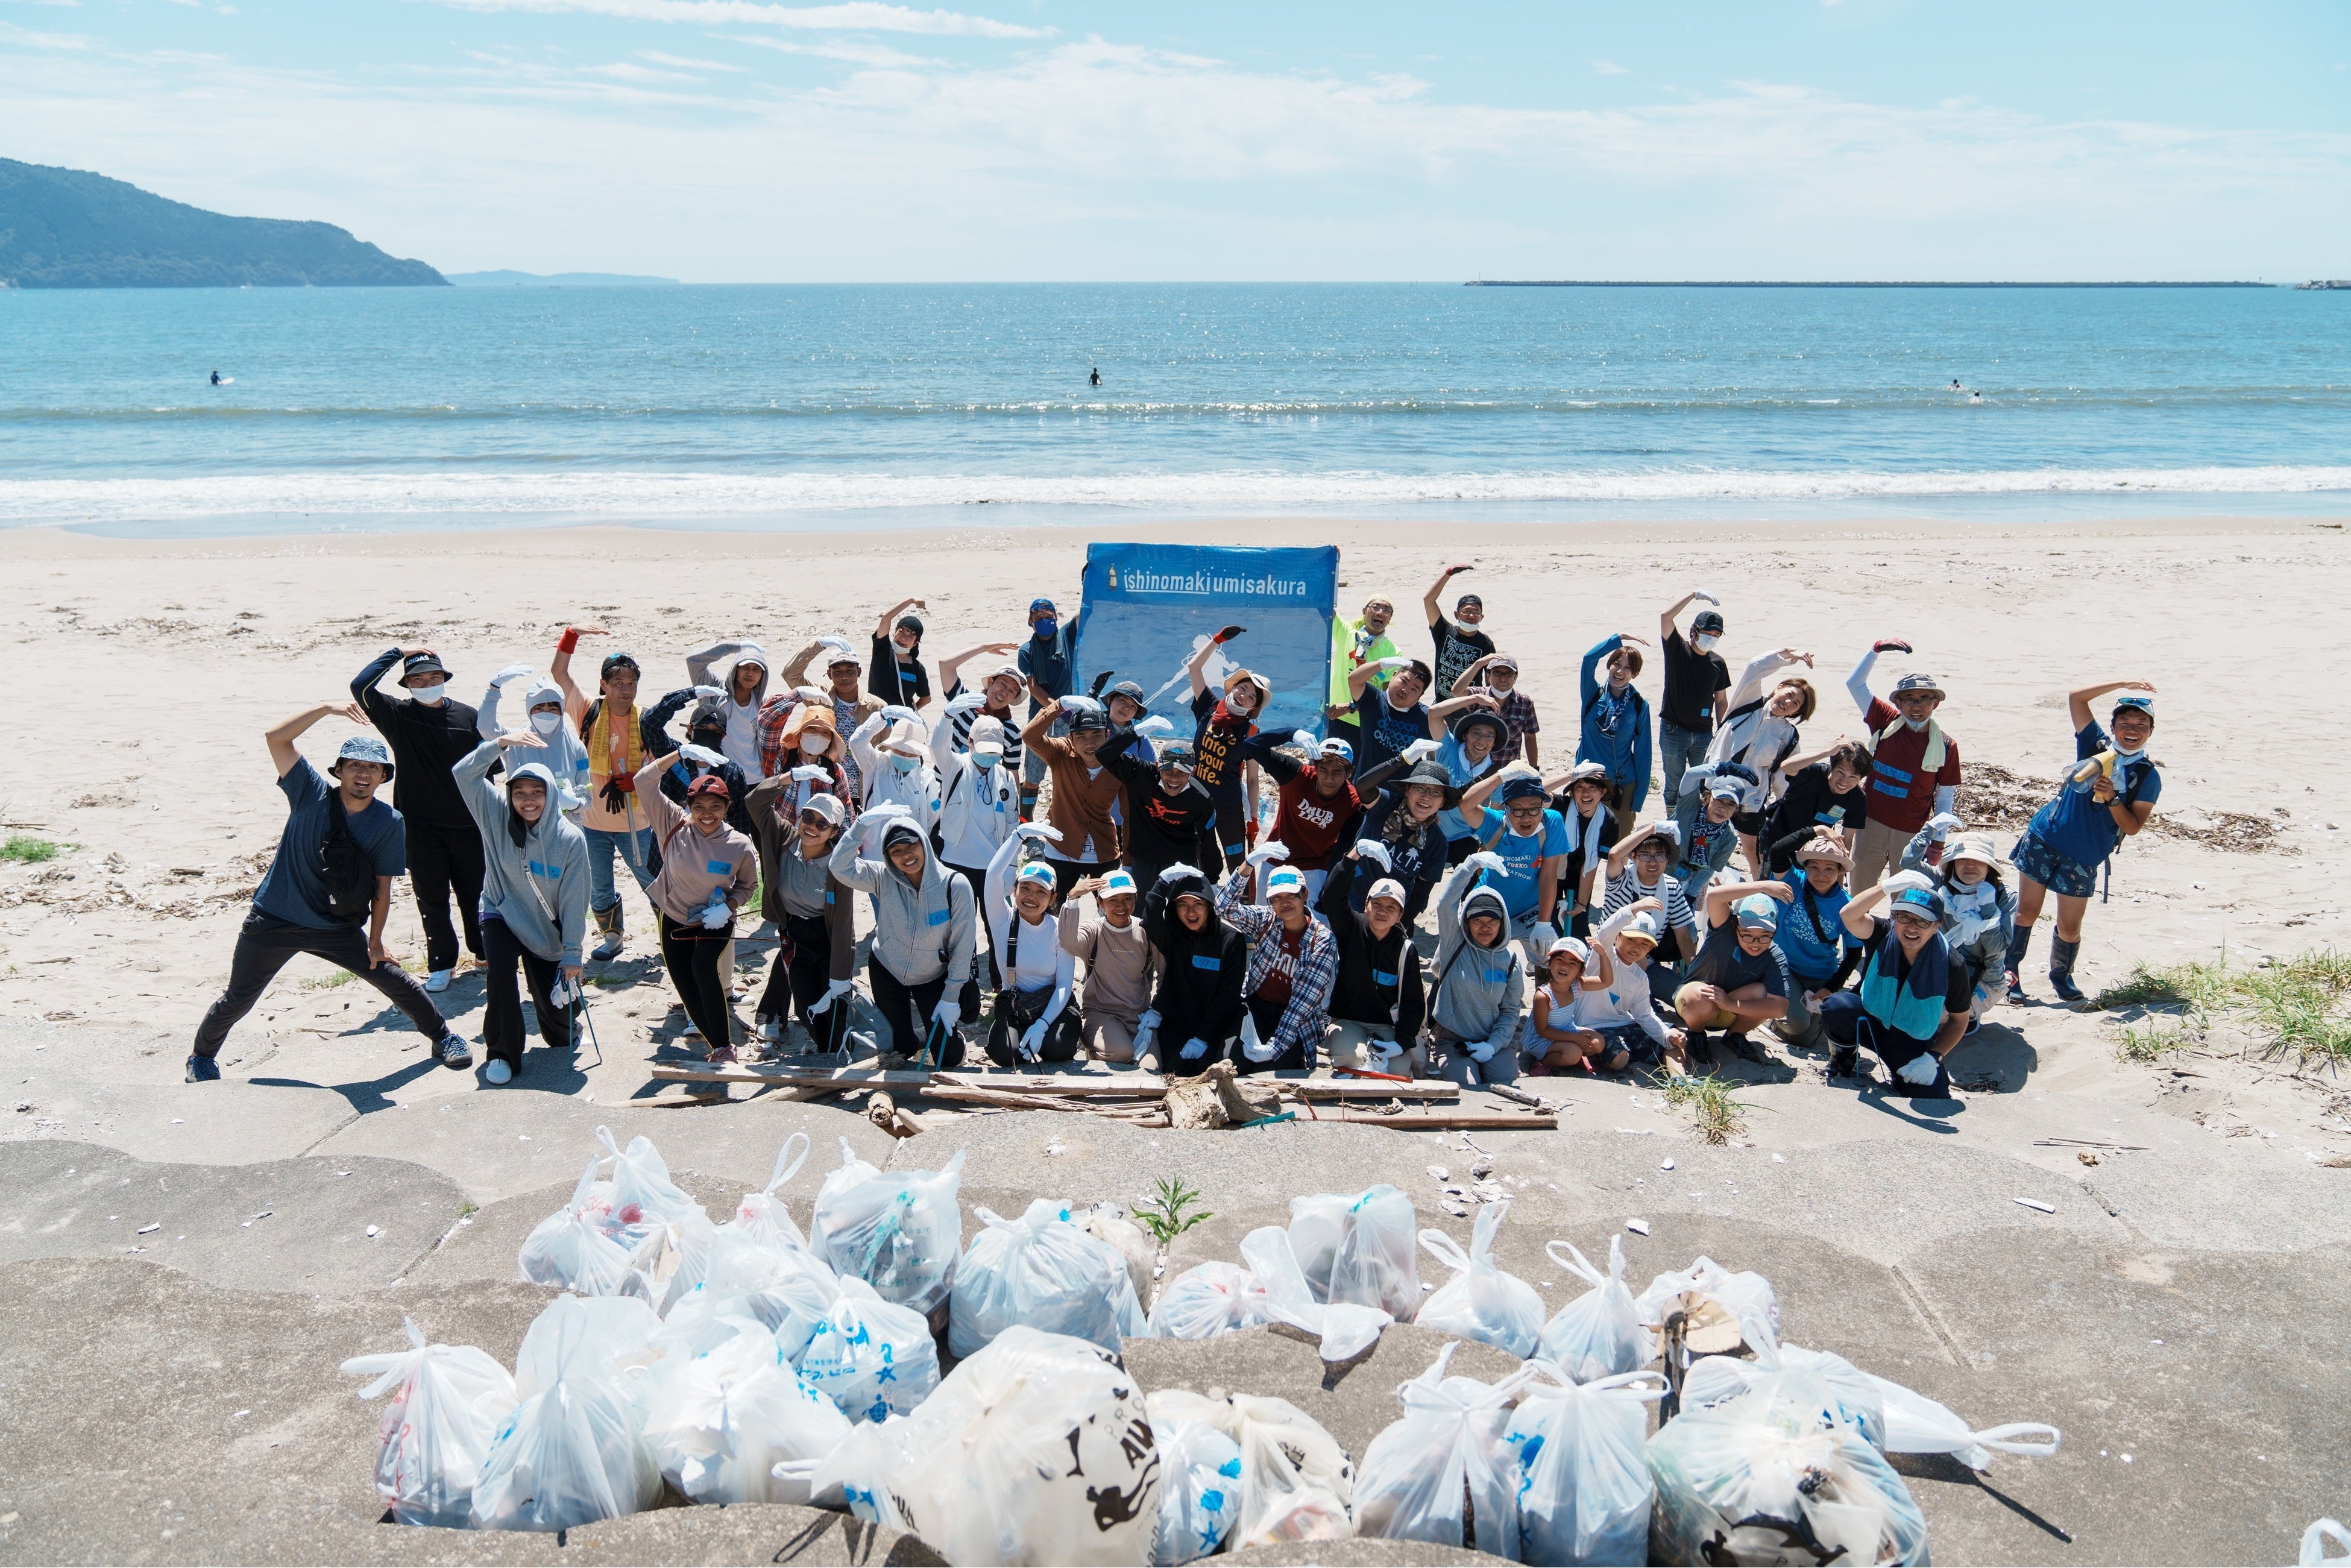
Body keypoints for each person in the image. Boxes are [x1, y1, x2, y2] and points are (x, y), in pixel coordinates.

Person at [190, 711, 467, 1082]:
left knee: (393, 978)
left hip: (334, 927)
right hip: (273, 919)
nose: (363, 774)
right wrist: (324, 708)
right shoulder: (309, 792)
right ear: (339, 770)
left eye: (373, 768)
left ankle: (443, 1037)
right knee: (238, 998)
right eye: (354, 765)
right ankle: (201, 1058)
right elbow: (276, 738)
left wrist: (376, 942)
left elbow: (384, 888)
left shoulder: (389, 822)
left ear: (384, 777)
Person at [2006, 682, 2162, 1004]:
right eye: (2125, 724)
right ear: (2113, 727)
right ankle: (2010, 974)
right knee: (2026, 913)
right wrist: (2123, 683)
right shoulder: (2094, 746)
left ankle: (2061, 976)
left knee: (2069, 927)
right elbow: (2076, 698)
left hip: (2084, 856)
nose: (2132, 731)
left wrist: (2112, 799)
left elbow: (2132, 828)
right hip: (2044, 838)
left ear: (2151, 731)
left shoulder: (2148, 776)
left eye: (2140, 725)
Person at [452, 731, 588, 1085]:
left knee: (560, 1035)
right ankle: (501, 1053)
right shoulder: (494, 814)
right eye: (519, 793)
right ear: (509, 795)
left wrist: (572, 952)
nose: (528, 801)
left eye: (537, 792)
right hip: (500, 911)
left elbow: (576, 900)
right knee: (500, 975)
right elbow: (463, 773)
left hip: (546, 929)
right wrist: (500, 745)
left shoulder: (570, 839)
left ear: (551, 794)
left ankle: (565, 1025)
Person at [350, 646, 489, 992]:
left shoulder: (470, 718)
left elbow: (489, 774)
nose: (427, 683)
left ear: (444, 679)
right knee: (431, 897)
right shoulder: (397, 715)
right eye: (417, 679)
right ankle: (441, 964)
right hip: (419, 826)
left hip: (471, 825)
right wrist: (398, 652)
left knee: (477, 895)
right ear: (407, 684)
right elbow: (360, 687)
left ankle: (484, 954)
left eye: (433, 677)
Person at [631, 750, 757, 1059]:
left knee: (703, 967)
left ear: (727, 807)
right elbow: (642, 781)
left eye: (715, 806)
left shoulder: (739, 844)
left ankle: (726, 1046)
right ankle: (717, 1045)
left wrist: (728, 906)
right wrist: (676, 755)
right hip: (674, 915)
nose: (707, 813)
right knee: (684, 982)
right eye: (699, 806)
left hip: (716, 919)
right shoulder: (673, 824)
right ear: (688, 807)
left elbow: (748, 885)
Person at [829, 804, 977, 1064]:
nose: (906, 856)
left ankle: (948, 1037)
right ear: (888, 857)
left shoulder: (955, 885)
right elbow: (839, 867)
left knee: (948, 1057)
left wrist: (951, 998)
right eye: (896, 851)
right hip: (888, 970)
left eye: (911, 846)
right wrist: (861, 825)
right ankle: (916, 1036)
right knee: (901, 1048)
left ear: (924, 844)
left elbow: (963, 946)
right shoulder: (882, 877)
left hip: (932, 975)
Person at [548, 630, 655, 961]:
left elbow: (660, 767)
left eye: (632, 683)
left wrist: (637, 779)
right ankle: (612, 937)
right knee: (599, 886)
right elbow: (559, 674)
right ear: (604, 685)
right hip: (592, 821)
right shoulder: (587, 711)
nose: (626, 689)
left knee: (655, 881)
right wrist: (571, 636)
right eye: (618, 682)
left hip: (637, 822)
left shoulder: (647, 718)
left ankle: (671, 932)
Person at [1823, 875, 1972, 1096]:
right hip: (1870, 1020)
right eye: (1904, 917)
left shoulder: (1952, 963)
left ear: (1937, 926)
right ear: (1894, 917)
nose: (1912, 928)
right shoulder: (1883, 933)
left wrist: (1933, 1058)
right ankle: (1845, 1055)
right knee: (1837, 1007)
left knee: (1933, 1094)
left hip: (1910, 1036)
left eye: (1923, 921)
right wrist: (1884, 887)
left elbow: (1960, 1021)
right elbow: (1848, 915)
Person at [743, 780, 857, 1055]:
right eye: (808, 817)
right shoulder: (783, 838)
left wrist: (841, 975)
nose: (812, 827)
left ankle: (840, 1055)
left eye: (822, 824)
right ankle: (824, 1051)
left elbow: (843, 925)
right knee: (806, 1010)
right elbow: (754, 802)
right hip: (794, 935)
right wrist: (788, 777)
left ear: (833, 831)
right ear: (799, 816)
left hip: (828, 939)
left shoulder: (839, 865)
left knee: (835, 1009)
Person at [1843, 640, 1961, 892]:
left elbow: (1944, 798)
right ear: (1898, 703)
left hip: (1912, 835)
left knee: (1907, 900)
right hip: (1870, 823)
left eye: (1924, 699)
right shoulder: (1884, 719)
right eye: (1909, 699)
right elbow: (1855, 685)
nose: (1916, 706)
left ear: (1935, 703)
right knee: (1859, 894)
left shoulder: (1947, 745)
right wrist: (1875, 651)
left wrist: (1938, 843)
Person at [930, 707, 1024, 1019]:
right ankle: (965, 993)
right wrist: (946, 717)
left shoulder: (1006, 778)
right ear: (969, 743)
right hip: (956, 863)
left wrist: (1010, 869)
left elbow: (1012, 824)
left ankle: (1004, 990)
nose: (989, 758)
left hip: (993, 867)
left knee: (998, 928)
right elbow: (936, 747)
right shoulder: (955, 765)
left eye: (995, 753)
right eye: (983, 751)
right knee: (960, 930)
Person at [1211, 854, 1339, 1075]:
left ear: (1305, 895)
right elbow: (1223, 908)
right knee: (1231, 1065)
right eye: (1277, 897)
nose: (1285, 903)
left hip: (1295, 1020)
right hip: (1255, 1008)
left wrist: (1275, 1048)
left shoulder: (1323, 940)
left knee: (1270, 1073)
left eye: (1292, 895)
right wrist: (1249, 865)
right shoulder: (1267, 919)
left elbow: (1301, 1004)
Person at [1705, 647, 1821, 875]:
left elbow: (1783, 777)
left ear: (1796, 712)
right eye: (1789, 694)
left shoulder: (1788, 736)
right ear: (1778, 688)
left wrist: (1785, 807)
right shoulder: (1747, 702)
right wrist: (1787, 656)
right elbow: (1755, 667)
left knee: (1754, 852)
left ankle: (1760, 893)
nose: (1788, 702)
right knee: (1703, 840)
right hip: (1715, 788)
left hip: (1751, 799)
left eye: (1796, 703)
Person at [1314, 851, 1426, 1074]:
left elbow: (1413, 1003)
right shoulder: (1350, 927)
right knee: (1353, 1058)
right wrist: (1351, 859)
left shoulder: (1406, 949)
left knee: (1396, 1069)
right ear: (1366, 905)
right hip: (1347, 1021)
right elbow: (1331, 897)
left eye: (1391, 907)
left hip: (1386, 1026)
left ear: (1400, 914)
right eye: (1377, 904)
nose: (1383, 911)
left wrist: (1402, 1043)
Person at [1423, 852, 1529, 1088]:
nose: (1485, 927)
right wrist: (1470, 864)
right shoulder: (1454, 945)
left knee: (1503, 1081)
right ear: (1466, 922)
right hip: (1452, 1038)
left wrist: (1493, 1045)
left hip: (1494, 1039)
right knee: (1468, 1084)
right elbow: (1445, 904)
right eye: (1477, 920)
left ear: (1502, 923)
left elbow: (1511, 1011)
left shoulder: (1511, 961)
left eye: (1492, 921)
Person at [980, 827, 1083, 1066]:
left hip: (1053, 1007)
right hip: (1016, 1006)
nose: (1031, 897)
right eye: (1025, 888)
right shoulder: (1002, 920)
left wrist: (1042, 1025)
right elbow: (993, 875)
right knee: (1005, 1055)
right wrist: (1019, 835)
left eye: (1040, 892)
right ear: (1014, 891)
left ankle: (1043, 1034)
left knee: (1056, 1050)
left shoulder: (1060, 929)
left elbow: (1064, 986)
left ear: (1052, 898)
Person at [1900, 822, 2015, 1026]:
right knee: (1912, 1012)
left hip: (1983, 974)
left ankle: (1989, 996)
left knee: (1942, 1018)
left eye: (1978, 861)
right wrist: (1929, 829)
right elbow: (1909, 864)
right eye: (1962, 860)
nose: (1970, 865)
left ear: (1989, 867)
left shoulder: (2004, 896)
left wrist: (1988, 909)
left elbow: (1997, 946)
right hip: (1941, 965)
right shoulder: (1943, 883)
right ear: (1953, 864)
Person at [1139, 863, 1248, 1075]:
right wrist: (1161, 883)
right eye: (1183, 905)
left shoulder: (1232, 940)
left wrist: (1203, 1037)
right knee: (1176, 1069)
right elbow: (1150, 921)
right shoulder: (1175, 935)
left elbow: (1228, 995)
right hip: (1179, 1018)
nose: (1190, 912)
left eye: (1198, 904)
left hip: (1217, 1021)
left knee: (1219, 1069)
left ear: (1209, 906)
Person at [1675, 884, 1795, 1068]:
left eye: (1765, 936)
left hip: (1732, 1009)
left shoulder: (1775, 956)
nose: (1755, 943)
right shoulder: (1723, 931)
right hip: (1694, 1004)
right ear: (1735, 925)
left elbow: (1779, 1009)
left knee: (1762, 993)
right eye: (1747, 935)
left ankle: (1734, 1035)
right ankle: (1696, 1034)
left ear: (1775, 931)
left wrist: (1729, 1004)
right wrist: (1764, 886)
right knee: (1701, 996)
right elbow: (1714, 896)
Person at [1236, 729, 1365, 901]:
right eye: (1323, 770)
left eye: (1337, 773)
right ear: (1315, 766)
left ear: (1349, 773)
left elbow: (1343, 846)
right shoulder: (1294, 774)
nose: (1328, 779)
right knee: (1267, 918)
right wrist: (1292, 733)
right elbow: (1251, 745)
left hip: (1316, 866)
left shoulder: (1354, 803)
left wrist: (1330, 886)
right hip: (1276, 857)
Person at [1462, 770, 1569, 974]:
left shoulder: (1552, 822)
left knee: (1548, 963)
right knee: (1450, 963)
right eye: (1518, 810)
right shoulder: (1494, 822)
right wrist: (1500, 776)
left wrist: (1545, 923)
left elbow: (1548, 875)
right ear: (1506, 808)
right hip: (1489, 905)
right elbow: (1465, 805)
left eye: (1534, 809)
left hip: (1530, 910)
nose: (1527, 817)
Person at [1022, 694, 1125, 900]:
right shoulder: (1060, 752)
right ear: (1071, 739)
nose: (1089, 744)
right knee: (1053, 911)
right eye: (1081, 737)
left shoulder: (1120, 764)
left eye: (1096, 735)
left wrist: (1130, 862)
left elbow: (1130, 817)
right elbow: (1029, 736)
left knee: (1113, 914)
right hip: (1061, 852)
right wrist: (1059, 706)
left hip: (1104, 854)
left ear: (1107, 735)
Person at [1768, 834, 1861, 1053]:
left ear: (1840, 872)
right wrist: (1815, 830)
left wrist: (1832, 987)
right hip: (1784, 965)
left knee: (1810, 1038)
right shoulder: (1793, 881)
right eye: (1814, 867)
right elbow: (1777, 850)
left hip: (1820, 974)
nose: (1821, 875)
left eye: (1830, 869)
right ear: (1805, 868)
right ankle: (1768, 1016)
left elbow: (1855, 952)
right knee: (1798, 1026)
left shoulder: (1847, 906)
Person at [1059, 869, 1162, 1065]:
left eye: (1127, 899)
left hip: (1140, 1016)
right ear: (1100, 902)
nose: (1121, 906)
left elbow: (1165, 974)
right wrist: (1072, 898)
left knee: (1152, 1069)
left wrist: (1156, 1009)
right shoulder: (1094, 929)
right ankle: (1096, 1052)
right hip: (1101, 1014)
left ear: (1136, 898)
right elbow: (1067, 940)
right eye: (1113, 900)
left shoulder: (1146, 931)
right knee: (1121, 1053)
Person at [1097, 730, 1220, 892]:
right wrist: (1134, 733)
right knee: (1142, 915)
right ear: (1157, 766)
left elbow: (1209, 843)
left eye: (1182, 772)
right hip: (1144, 861)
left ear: (1193, 771)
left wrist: (1212, 881)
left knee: (1180, 916)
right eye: (1167, 770)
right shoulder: (1141, 775)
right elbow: (1104, 755)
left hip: (1181, 864)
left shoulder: (1202, 799)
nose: (1174, 778)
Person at [1186, 633, 1265, 870]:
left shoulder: (1252, 732)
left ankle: (1241, 905)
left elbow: (1252, 779)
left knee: (1237, 864)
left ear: (1254, 707)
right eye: (1243, 689)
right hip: (1195, 797)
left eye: (1252, 697)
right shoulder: (1208, 706)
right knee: (1197, 860)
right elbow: (1194, 667)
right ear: (1233, 688)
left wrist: (1252, 818)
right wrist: (1217, 640)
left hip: (1229, 805)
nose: (1244, 697)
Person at [1569, 903, 1678, 1073]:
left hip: (1625, 1024)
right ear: (1617, 937)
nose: (1636, 947)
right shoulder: (1604, 956)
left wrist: (1666, 1035)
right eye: (1631, 939)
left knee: (1674, 1039)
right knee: (1620, 1059)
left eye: (1644, 944)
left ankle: (1679, 1079)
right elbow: (1607, 929)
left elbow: (1644, 1015)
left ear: (1650, 948)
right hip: (1593, 1027)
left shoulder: (1641, 978)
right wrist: (1635, 908)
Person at [1345, 755, 1454, 921]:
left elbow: (1421, 893)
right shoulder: (1386, 804)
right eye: (1420, 788)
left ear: (1442, 802)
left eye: (1435, 792)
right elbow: (1362, 787)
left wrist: (1400, 925)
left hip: (1393, 907)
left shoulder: (1438, 843)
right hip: (1355, 892)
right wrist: (1401, 760)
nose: (1426, 797)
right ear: (1407, 790)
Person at [778, 638, 885, 800]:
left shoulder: (877, 707)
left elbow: (885, 751)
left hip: (865, 791)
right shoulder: (819, 697)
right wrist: (819, 644)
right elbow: (790, 674)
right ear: (829, 674)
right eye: (838, 672)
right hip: (825, 787)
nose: (844, 677)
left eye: (850, 671)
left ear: (859, 672)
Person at [639, 691, 754, 837]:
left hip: (711, 844)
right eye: (703, 728)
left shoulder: (731, 772)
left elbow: (740, 821)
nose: (709, 733)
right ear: (690, 729)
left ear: (723, 736)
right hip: (670, 841)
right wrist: (688, 694)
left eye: (716, 730)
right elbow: (649, 724)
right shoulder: (673, 754)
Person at [1657, 591, 1732, 810]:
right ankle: (1673, 821)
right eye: (1707, 632)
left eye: (1717, 634)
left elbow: (1721, 700)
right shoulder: (1677, 650)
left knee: (1702, 782)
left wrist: (1722, 731)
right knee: (1674, 783)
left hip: (1703, 734)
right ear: (1694, 631)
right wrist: (1693, 595)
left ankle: (1695, 820)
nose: (1712, 638)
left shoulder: (1718, 663)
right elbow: (1665, 618)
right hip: (1673, 731)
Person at [1576, 632, 1653, 837]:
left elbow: (1644, 754)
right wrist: (1619, 638)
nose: (1620, 671)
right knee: (1582, 845)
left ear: (1634, 674)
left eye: (1628, 668)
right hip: (1589, 781)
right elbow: (1588, 659)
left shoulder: (1638, 705)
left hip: (1623, 785)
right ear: (1609, 665)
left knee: (1617, 848)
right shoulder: (1593, 694)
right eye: (1617, 664)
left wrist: (1638, 799)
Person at [1761, 740, 1870, 875]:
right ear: (1832, 767)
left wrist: (1839, 874)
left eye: (1853, 777)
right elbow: (1786, 767)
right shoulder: (1814, 773)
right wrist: (1828, 752)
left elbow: (1846, 841)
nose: (1844, 781)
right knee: (1772, 889)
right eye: (1840, 772)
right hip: (1778, 840)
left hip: (1812, 851)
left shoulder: (1857, 798)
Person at [1599, 821, 1701, 965]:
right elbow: (1614, 855)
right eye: (1645, 856)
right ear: (1633, 857)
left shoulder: (1672, 886)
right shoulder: (1622, 879)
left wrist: (1695, 975)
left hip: (1646, 962)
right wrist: (1652, 828)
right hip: (1609, 958)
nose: (1653, 863)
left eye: (1659, 856)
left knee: (1674, 986)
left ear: (1667, 859)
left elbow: (1683, 937)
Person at [1431, 699, 1510, 864]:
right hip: (1432, 829)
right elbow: (1433, 713)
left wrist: (1485, 849)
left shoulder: (1496, 776)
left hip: (1466, 838)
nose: (1482, 741)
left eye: (1489, 736)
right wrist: (1475, 699)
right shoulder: (1448, 747)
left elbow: (1496, 818)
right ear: (1465, 734)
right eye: (1476, 733)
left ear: (1494, 742)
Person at [1670, 762, 1760, 906]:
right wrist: (1724, 768)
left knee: (1687, 927)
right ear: (1708, 797)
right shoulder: (1689, 805)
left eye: (1731, 804)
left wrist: (1690, 896)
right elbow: (1690, 775)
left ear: (1737, 809)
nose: (1723, 808)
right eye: (1719, 800)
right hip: (1656, 870)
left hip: (1691, 884)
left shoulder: (1729, 838)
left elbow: (1708, 870)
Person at [683, 639, 773, 782]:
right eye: (745, 667)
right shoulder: (715, 690)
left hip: (755, 778)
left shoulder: (763, 703)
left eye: (756, 669)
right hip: (720, 776)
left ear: (763, 675)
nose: (750, 673)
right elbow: (694, 661)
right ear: (735, 669)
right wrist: (734, 647)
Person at [1547, 760, 1620, 939]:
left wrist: (1581, 903)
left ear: (1603, 792)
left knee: (1578, 926)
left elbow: (1592, 864)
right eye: (1579, 787)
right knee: (1550, 925)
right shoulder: (1562, 805)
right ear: (1572, 792)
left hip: (1581, 873)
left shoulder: (1609, 822)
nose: (1586, 793)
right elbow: (1533, 793)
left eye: (1593, 787)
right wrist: (1570, 775)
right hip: (1551, 870)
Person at [1017, 599, 1074, 819]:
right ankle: (1026, 821)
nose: (1045, 622)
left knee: (1067, 772)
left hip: (1068, 718)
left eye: (1049, 617)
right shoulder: (1026, 651)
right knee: (1033, 773)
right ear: (1030, 622)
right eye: (1039, 619)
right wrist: (1057, 707)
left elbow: (1083, 612)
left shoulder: (1068, 636)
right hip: (1041, 717)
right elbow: (1033, 687)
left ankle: (1057, 819)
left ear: (1057, 618)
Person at [1338, 655, 1438, 781]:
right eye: (1404, 681)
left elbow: (1437, 756)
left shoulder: (1427, 717)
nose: (1405, 690)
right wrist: (1380, 664)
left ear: (1421, 695)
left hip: (1403, 794)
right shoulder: (1373, 700)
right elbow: (1354, 680)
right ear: (1394, 675)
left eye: (1414, 689)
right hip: (1365, 788)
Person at [1525, 934, 1613, 1074]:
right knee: (1573, 1053)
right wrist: (1575, 1038)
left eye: (1572, 963)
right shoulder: (1543, 995)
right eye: (1559, 960)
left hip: (1567, 1031)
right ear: (1550, 963)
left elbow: (1605, 981)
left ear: (1580, 971)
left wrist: (1603, 954)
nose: (1564, 966)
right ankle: (1544, 1062)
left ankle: (1575, 1057)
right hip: (1541, 1039)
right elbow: (1542, 1030)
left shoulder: (1576, 985)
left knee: (1598, 1043)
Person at [936, 647, 1029, 777]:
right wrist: (984, 648)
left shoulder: (1013, 733)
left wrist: (1014, 797)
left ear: (1014, 698)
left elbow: (1011, 777)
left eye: (1012, 691)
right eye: (1003, 684)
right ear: (991, 682)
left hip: (980, 793)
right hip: (942, 783)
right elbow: (945, 665)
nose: (1005, 693)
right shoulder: (964, 701)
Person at [1327, 595, 1400, 746]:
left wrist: (1351, 707)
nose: (1380, 612)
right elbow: (1325, 606)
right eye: (1375, 607)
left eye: (1387, 610)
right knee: (1322, 767)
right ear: (1364, 611)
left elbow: (1387, 699)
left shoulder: (1394, 653)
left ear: (1390, 618)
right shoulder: (1347, 633)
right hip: (1333, 716)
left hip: (1365, 725)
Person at [849, 706, 938, 825]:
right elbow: (856, 742)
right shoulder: (875, 764)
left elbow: (933, 817)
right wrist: (880, 717)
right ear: (891, 746)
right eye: (900, 751)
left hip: (911, 842)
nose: (906, 756)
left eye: (911, 753)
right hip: (875, 843)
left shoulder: (926, 778)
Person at [1422, 562, 1495, 700]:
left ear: (1482, 617)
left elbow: (1490, 681)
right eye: (1466, 611)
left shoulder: (1486, 643)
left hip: (1469, 706)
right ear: (1457, 615)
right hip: (1441, 704)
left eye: (1476, 612)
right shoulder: (1444, 631)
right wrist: (1448, 573)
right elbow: (1428, 600)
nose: (1471, 616)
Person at [1461, 653, 1540, 767]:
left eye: (1508, 674)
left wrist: (1534, 769)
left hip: (1508, 769)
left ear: (1516, 677)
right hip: (1475, 767)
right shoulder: (1478, 695)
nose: (1503, 678)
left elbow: (1530, 738)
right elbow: (1457, 691)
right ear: (1488, 676)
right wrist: (1478, 664)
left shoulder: (1524, 702)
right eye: (1497, 673)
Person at [870, 599, 932, 710]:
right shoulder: (882, 650)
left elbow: (926, 698)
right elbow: (886, 618)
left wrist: (910, 712)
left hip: (902, 723)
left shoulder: (918, 668)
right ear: (895, 631)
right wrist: (911, 600)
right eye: (901, 631)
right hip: (876, 718)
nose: (903, 638)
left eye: (910, 636)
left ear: (915, 643)